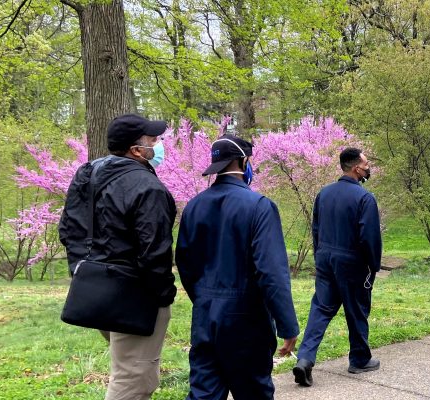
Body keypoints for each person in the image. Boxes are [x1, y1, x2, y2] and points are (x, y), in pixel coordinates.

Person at [58, 114, 177, 400]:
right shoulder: (147, 187)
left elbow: (70, 229)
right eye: (154, 140)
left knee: (126, 368)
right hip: (135, 293)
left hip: (96, 289)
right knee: (134, 379)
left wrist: (82, 269)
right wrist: (163, 295)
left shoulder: (89, 174)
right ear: (137, 150)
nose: (159, 145)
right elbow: (155, 251)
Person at [175, 134, 299, 400]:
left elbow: (184, 263)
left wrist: (204, 297)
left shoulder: (194, 206)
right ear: (244, 162)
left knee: (204, 393)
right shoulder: (259, 207)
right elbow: (271, 272)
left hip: (205, 317)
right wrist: (287, 325)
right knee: (254, 392)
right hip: (246, 320)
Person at [293, 147, 382, 387]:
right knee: (357, 309)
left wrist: (319, 255)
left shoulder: (324, 194)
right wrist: (373, 266)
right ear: (356, 168)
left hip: (325, 259)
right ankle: (360, 359)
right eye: (366, 164)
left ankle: (305, 358)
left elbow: (316, 229)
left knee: (320, 309)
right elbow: (369, 237)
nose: (368, 167)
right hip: (352, 263)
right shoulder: (365, 198)